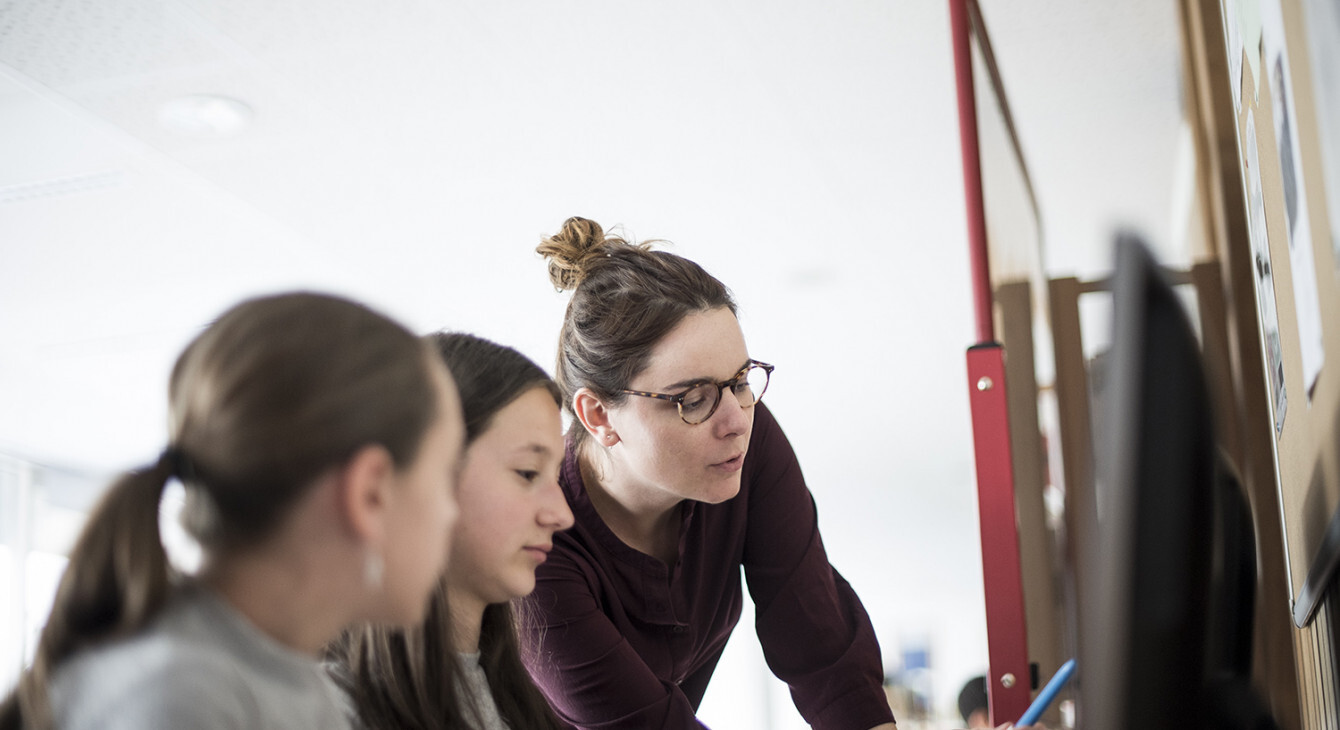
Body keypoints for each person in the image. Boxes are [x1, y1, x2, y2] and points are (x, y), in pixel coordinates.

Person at [0, 292, 464, 730]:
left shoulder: (299, 687)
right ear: (370, 494)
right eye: (445, 478)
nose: (451, 514)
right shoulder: (181, 697)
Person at [522, 217, 899, 729]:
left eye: (741, 382)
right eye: (692, 400)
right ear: (599, 417)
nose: (735, 421)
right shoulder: (535, 547)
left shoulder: (747, 439)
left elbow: (820, 642)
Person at [331, 332, 572, 730]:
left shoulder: (518, 707)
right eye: (527, 473)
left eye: (556, 479)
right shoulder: (319, 713)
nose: (561, 514)